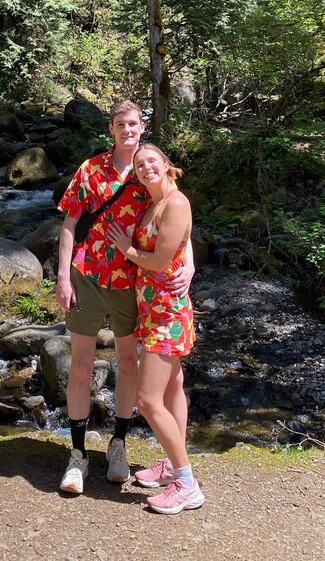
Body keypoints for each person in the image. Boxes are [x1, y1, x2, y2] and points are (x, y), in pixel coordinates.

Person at [56, 101, 193, 496]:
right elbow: (69, 222)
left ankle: (118, 444)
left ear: (141, 126)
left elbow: (179, 218)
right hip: (85, 278)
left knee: (129, 367)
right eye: (120, 124)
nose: (127, 130)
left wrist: (192, 265)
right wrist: (63, 276)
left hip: (132, 286)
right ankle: (78, 454)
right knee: (80, 368)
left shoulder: (150, 172)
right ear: (111, 128)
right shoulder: (90, 169)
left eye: (132, 123)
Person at [106, 143, 204, 515]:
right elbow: (182, 244)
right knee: (174, 386)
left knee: (147, 401)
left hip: (167, 313)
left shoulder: (175, 203)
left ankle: (186, 484)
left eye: (152, 161)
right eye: (139, 164)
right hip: (152, 310)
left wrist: (126, 249)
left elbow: (162, 260)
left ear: (166, 165)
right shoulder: (152, 204)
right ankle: (171, 460)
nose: (146, 167)